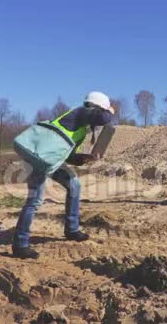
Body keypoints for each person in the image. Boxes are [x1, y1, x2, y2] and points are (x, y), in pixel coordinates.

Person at [12, 92, 115, 259]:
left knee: (74, 185)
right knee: (35, 201)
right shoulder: (81, 112)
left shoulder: (79, 128)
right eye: (102, 109)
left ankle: (72, 229)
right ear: (96, 107)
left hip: (52, 160)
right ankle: (20, 245)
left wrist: (84, 158)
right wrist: (110, 110)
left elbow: (68, 156)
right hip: (39, 159)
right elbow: (103, 118)